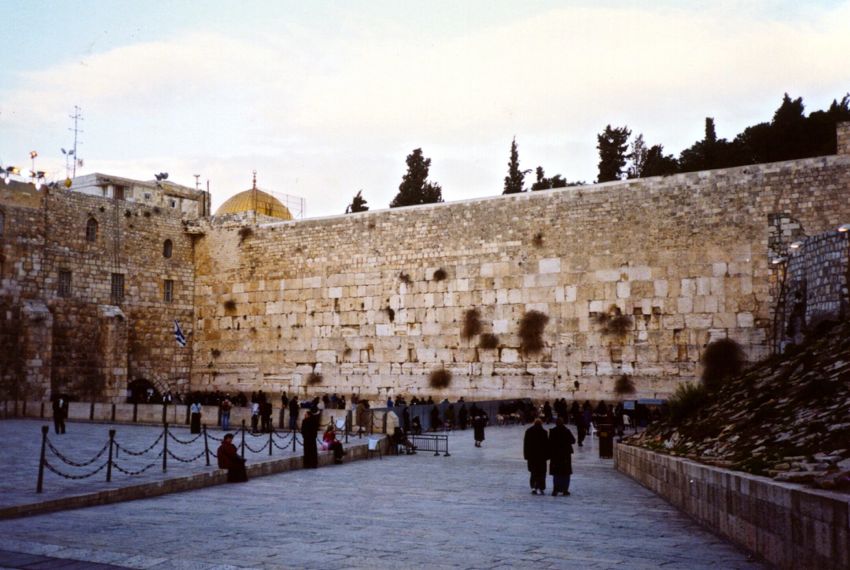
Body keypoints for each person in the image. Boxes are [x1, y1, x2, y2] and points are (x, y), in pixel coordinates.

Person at [548, 417, 576, 496]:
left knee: (556, 473)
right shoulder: (566, 431)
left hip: (555, 455)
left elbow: (549, 443)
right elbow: (573, 441)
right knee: (565, 473)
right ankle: (565, 490)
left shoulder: (553, 431)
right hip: (565, 455)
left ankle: (555, 489)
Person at [524, 418, 549, 495]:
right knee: (541, 473)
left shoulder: (529, 431)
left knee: (533, 472)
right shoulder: (544, 432)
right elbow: (547, 445)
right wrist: (547, 456)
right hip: (541, 457)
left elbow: (526, 445)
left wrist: (526, 455)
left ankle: (533, 486)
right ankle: (540, 486)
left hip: (532, 456)